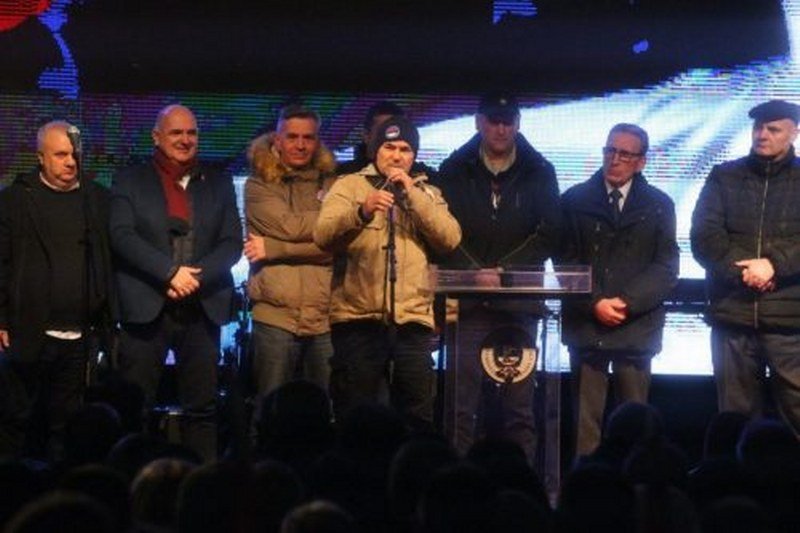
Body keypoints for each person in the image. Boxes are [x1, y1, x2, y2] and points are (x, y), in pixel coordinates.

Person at [109, 104, 242, 461]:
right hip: (146, 306)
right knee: (135, 410)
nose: (185, 140)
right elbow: (121, 236)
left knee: (202, 410)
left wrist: (194, 278)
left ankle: (202, 485)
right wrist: (169, 273)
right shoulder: (129, 179)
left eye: (191, 133)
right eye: (176, 132)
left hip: (201, 307)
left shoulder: (219, 182)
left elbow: (232, 243)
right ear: (157, 137)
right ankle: (135, 482)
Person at [314, 116, 461, 431]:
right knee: (358, 418)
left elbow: (450, 238)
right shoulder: (348, 186)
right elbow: (322, 235)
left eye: (405, 149)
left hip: (413, 322)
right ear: (375, 150)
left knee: (418, 417)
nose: (397, 156)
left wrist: (412, 195)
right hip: (358, 320)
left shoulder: (427, 192)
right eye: (389, 148)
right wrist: (362, 211)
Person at [435, 93, 561, 463]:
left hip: (518, 306)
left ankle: (520, 486)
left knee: (518, 410)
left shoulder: (541, 171)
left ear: (518, 123)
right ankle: (459, 484)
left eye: (508, 121)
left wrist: (503, 272)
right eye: (494, 121)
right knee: (461, 408)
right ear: (479, 122)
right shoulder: (453, 169)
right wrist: (474, 274)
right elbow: (441, 232)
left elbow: (550, 232)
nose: (501, 129)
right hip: (467, 305)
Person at [560, 123, 679, 458]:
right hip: (587, 325)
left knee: (637, 428)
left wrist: (626, 302)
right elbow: (565, 260)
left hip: (635, 327)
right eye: (610, 150)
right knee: (585, 429)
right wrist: (595, 302)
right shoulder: (574, 200)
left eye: (625, 154)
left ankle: (636, 484)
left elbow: (666, 266)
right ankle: (587, 484)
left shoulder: (659, 204)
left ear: (641, 162)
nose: (614, 159)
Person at [0, 120, 113, 460]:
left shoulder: (96, 200)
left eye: (75, 154)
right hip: (28, 330)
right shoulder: (16, 200)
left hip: (80, 336)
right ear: (40, 157)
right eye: (61, 155)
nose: (70, 162)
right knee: (17, 420)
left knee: (66, 429)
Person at [691, 99, 800, 437]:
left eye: (773, 129)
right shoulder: (725, 176)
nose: (762, 134)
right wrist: (745, 273)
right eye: (758, 127)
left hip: (790, 325)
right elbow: (704, 237)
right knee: (735, 425)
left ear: (794, 133)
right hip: (732, 317)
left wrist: (773, 265)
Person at [243, 104, 336, 408]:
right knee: (270, 411)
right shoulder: (258, 184)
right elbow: (290, 226)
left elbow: (339, 244)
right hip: (275, 317)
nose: (300, 145)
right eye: (292, 136)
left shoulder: (332, 183)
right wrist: (328, 221)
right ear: (277, 139)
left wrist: (274, 248)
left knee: (323, 411)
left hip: (324, 318)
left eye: (308, 137)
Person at [336, 100, 437, 178]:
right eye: (384, 130)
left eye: (400, 129)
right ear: (366, 135)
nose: (395, 136)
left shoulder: (426, 178)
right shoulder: (344, 177)